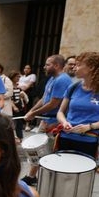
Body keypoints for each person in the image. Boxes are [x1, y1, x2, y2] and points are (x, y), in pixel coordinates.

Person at [41, 51, 99, 197]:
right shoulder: (74, 87)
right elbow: (61, 111)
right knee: (56, 176)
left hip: (89, 139)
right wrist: (64, 121)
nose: (75, 67)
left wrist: (90, 126)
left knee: (85, 179)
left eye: (80, 64)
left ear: (91, 67)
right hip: (67, 137)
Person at [21, 55, 73, 186]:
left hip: (55, 121)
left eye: (47, 64)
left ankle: (51, 180)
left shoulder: (62, 80)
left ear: (56, 65)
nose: (44, 67)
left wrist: (33, 113)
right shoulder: (52, 79)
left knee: (48, 150)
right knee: (38, 149)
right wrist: (31, 111)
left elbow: (53, 104)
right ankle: (31, 176)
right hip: (46, 120)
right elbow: (44, 99)